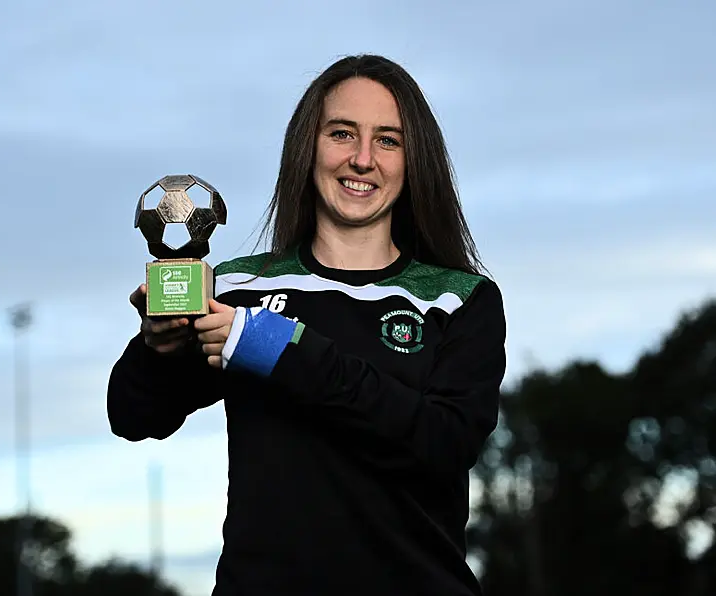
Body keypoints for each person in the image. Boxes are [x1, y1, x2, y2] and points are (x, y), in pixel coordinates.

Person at [107, 54, 508, 596]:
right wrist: (158, 344)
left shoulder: (459, 299)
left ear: (415, 160)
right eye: (342, 133)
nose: (363, 159)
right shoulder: (237, 289)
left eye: (388, 140)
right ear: (308, 147)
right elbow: (134, 415)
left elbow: (444, 446)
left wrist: (275, 348)